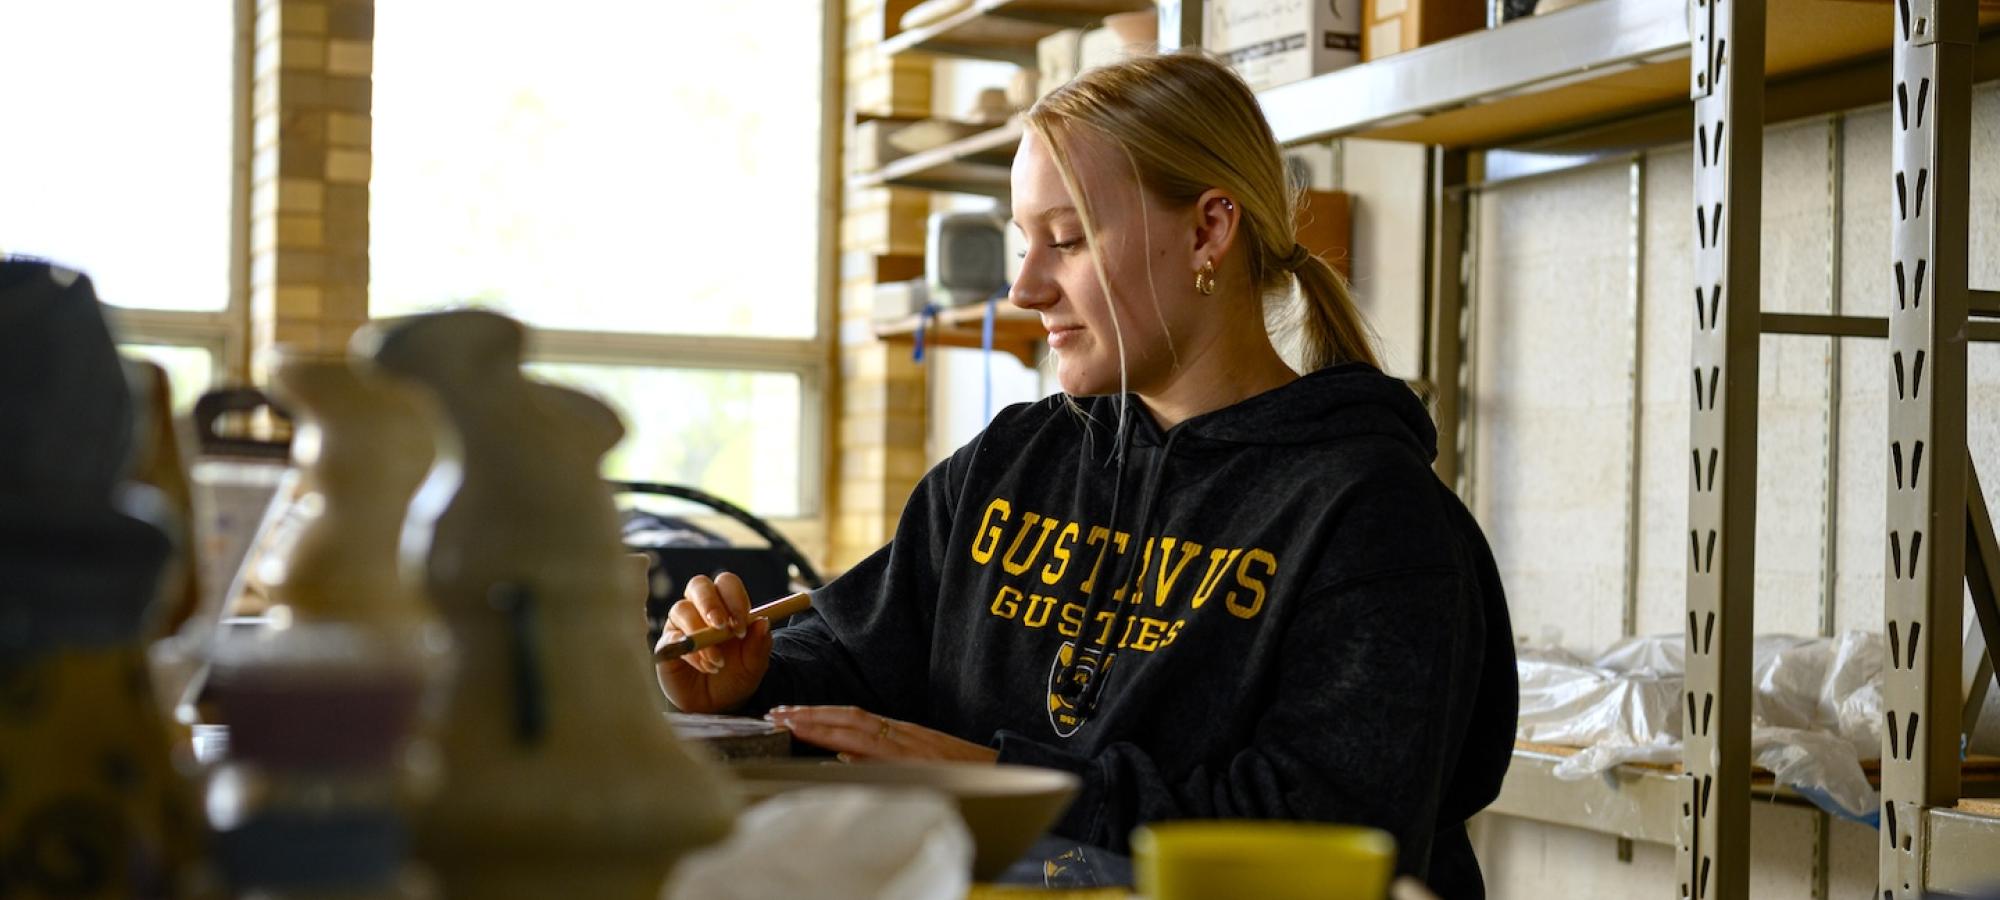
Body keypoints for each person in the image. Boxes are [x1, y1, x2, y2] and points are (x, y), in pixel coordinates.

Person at [656, 50, 1516, 896]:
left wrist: (1010, 783)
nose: (1025, 288)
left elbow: (1330, 835)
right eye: (1022, 242)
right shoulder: (1010, 463)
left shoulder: (1373, 517)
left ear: (1208, 230)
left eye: (1065, 240)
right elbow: (856, 651)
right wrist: (754, 678)